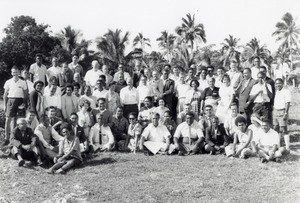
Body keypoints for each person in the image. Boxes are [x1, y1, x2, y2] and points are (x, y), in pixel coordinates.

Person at [3, 66, 28, 146]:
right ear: (11, 73)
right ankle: (6, 139)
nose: (15, 74)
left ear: (19, 72)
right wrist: (4, 105)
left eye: (16, 72)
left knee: (16, 120)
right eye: (13, 72)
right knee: (8, 120)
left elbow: (26, 94)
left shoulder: (23, 82)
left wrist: (25, 104)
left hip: (20, 101)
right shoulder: (8, 82)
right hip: (10, 100)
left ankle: (13, 138)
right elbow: (5, 95)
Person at [273, 78, 291, 152]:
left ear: (282, 83)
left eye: (279, 83)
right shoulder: (276, 92)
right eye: (276, 84)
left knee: (284, 129)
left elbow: (287, 103)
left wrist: (285, 113)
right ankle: (278, 146)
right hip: (275, 111)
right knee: (276, 129)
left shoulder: (286, 91)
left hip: (282, 111)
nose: (278, 85)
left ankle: (287, 148)